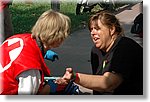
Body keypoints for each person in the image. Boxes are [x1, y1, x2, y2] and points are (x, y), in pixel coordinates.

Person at [62, 10, 143, 95]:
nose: (92, 33)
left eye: (97, 29)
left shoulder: (125, 48)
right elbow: (99, 87)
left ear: (111, 29)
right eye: (91, 29)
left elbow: (108, 83)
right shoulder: (96, 51)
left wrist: (75, 77)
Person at [0, 10, 71, 95]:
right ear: (58, 37)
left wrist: (42, 53)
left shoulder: (19, 38)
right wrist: (50, 87)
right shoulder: (31, 67)